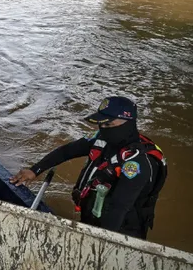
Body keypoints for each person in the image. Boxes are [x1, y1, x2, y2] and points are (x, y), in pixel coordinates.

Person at [10, 97, 167, 240]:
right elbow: (67, 151)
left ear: (128, 122)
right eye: (101, 123)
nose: (102, 128)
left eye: (108, 124)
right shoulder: (103, 138)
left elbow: (118, 208)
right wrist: (35, 170)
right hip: (93, 216)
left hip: (121, 232)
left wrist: (98, 243)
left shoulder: (137, 163)